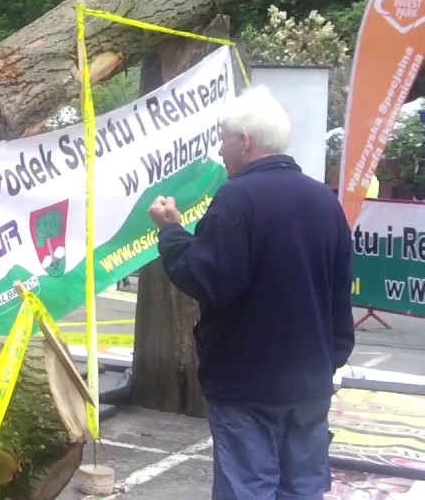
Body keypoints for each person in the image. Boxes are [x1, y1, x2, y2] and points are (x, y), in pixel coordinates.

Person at [147, 85, 354, 500]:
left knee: (248, 488)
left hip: (247, 380)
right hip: (310, 379)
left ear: (244, 141)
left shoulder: (236, 198)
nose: (220, 151)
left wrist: (171, 233)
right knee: (303, 488)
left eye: (223, 139)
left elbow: (210, 279)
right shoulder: (324, 201)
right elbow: (339, 291)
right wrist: (329, 358)